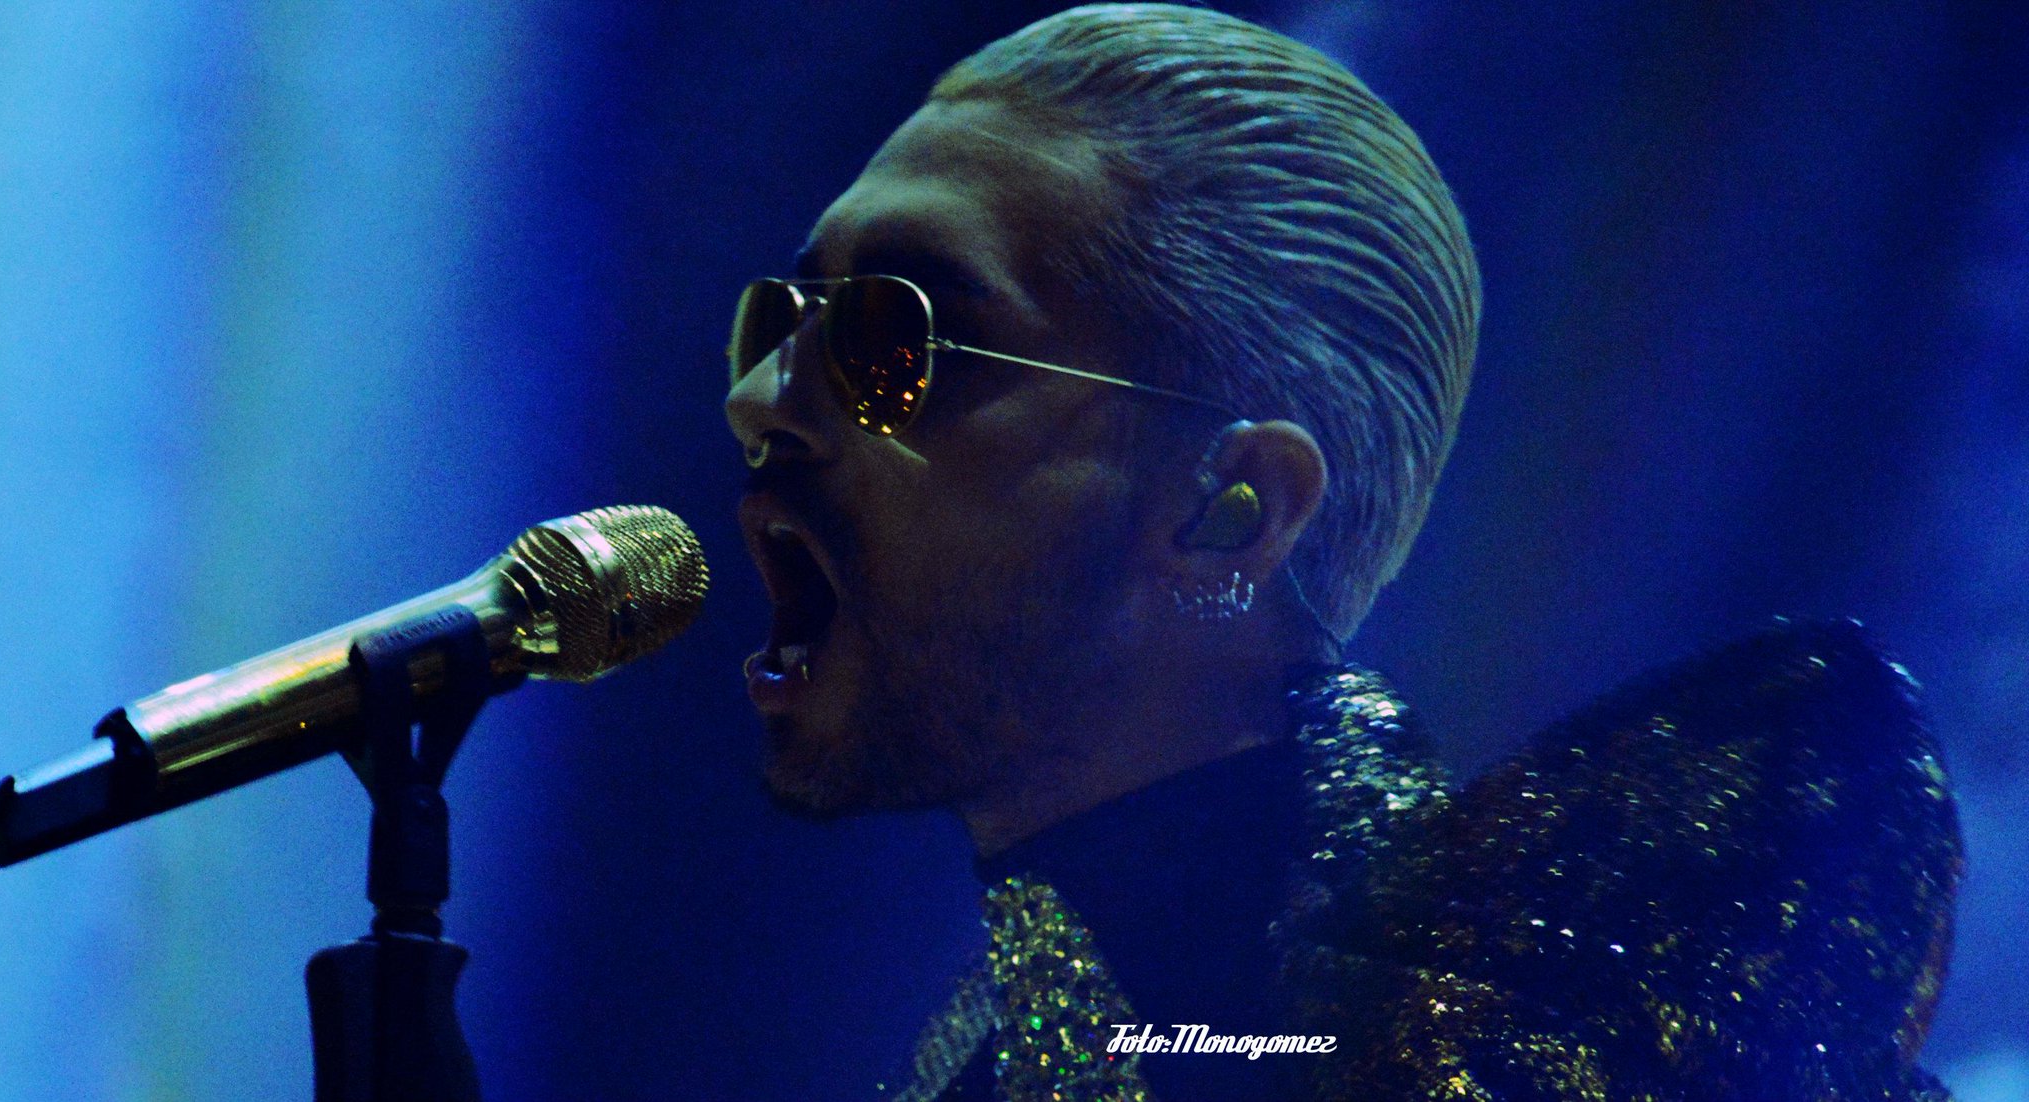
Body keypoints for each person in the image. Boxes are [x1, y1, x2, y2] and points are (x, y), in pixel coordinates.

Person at [722, 6, 1961, 1100]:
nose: (761, 396)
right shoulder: (1063, 1018)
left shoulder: (1465, 1040)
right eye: (780, 321)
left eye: (896, 339)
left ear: (1234, 510)